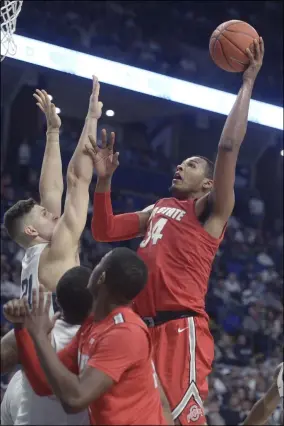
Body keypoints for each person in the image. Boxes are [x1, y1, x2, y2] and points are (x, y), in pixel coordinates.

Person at [87, 39, 265, 425]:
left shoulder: (210, 211)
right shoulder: (160, 208)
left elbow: (229, 145)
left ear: (207, 183)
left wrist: (247, 82)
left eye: (190, 165)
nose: (179, 169)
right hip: (139, 328)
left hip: (179, 330)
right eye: (180, 164)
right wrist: (103, 183)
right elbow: (104, 230)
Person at [1, 76, 102, 425]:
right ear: (32, 230)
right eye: (44, 215)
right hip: (61, 356)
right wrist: (91, 118)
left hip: (27, 373)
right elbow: (76, 181)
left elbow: (51, 190)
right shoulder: (56, 252)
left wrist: (53, 132)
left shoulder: (33, 255)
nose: (50, 209)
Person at [4, 248, 173, 425]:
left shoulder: (125, 333)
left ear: (101, 278)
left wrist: (39, 335)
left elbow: (74, 400)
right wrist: (23, 328)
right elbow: (43, 383)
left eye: (98, 265)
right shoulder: (93, 324)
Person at [1, 266, 93, 425]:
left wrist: (20, 325)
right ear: (96, 303)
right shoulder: (104, 338)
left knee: (17, 383)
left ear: (57, 301)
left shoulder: (32, 331)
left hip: (26, 417)